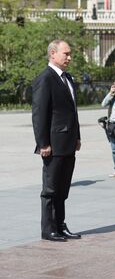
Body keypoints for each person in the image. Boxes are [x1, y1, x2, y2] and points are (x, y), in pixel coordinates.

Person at [32, 39, 82, 242]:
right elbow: (39, 114)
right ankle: (48, 228)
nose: (69, 57)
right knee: (51, 189)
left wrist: (77, 136)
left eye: (70, 54)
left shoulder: (67, 77)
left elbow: (72, 111)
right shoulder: (45, 78)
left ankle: (60, 224)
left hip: (68, 142)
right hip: (53, 143)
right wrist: (43, 143)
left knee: (63, 188)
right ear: (53, 54)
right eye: (66, 54)